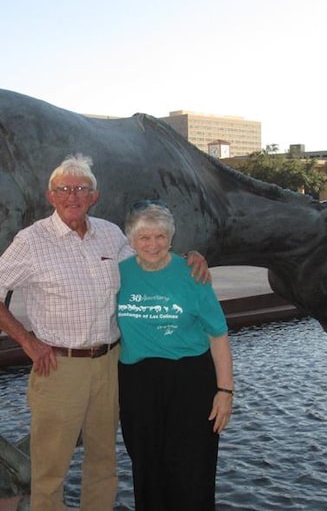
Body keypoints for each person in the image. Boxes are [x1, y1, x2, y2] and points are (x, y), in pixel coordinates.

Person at [0, 154, 208, 511]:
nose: (74, 196)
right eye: (64, 189)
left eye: (82, 189)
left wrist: (191, 256)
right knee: (51, 468)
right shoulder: (32, 240)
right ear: (50, 195)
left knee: (103, 462)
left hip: (110, 364)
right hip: (59, 367)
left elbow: (150, 260)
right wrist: (27, 341)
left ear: (94, 197)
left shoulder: (110, 234)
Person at [116, 200, 234, 511]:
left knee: (193, 469)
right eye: (144, 238)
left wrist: (225, 391)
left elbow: (218, 335)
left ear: (171, 238)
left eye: (160, 237)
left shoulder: (192, 274)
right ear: (131, 240)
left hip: (191, 380)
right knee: (147, 468)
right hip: (138, 383)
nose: (152, 245)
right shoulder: (118, 275)